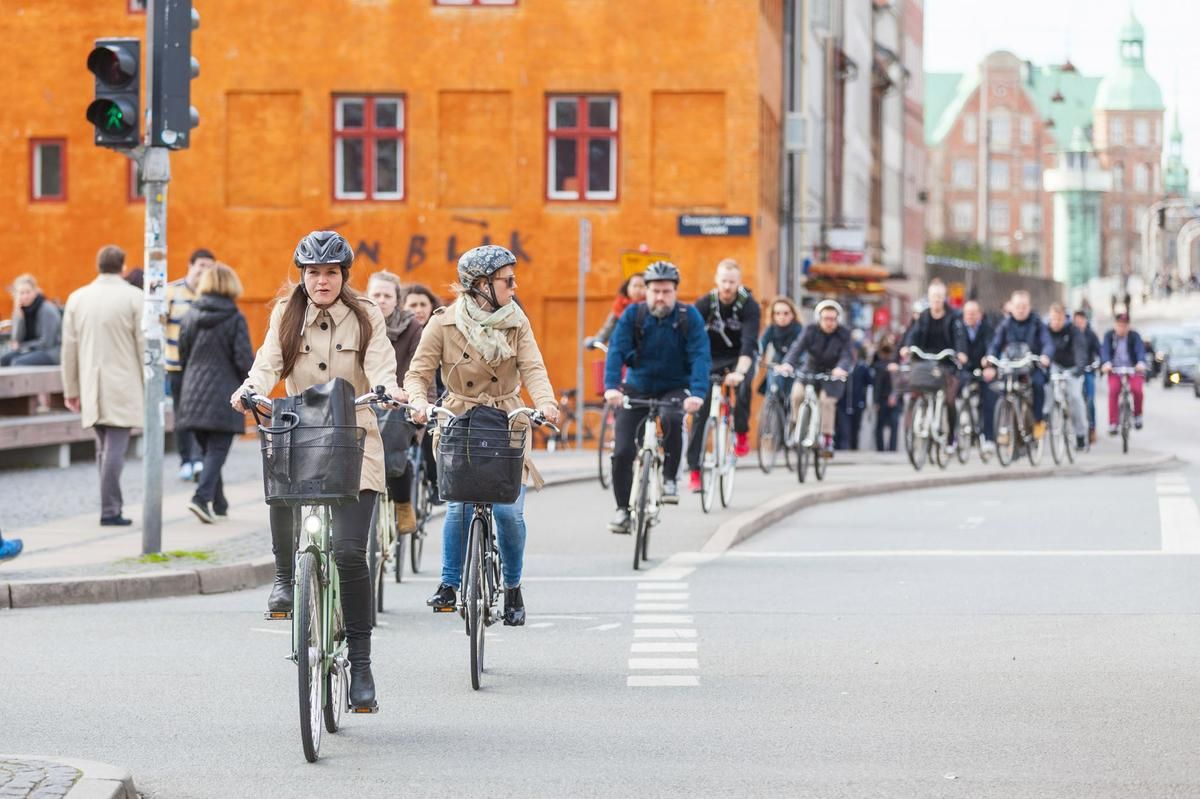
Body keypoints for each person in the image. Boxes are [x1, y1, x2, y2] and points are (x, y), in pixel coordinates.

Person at [235, 230, 405, 711]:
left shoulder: (367, 314)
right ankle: (287, 577)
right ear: (303, 275)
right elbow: (268, 361)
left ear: (343, 276)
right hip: (303, 433)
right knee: (278, 479)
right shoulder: (287, 313)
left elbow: (381, 364)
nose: (322, 280)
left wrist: (390, 388)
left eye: (331, 272)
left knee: (351, 553)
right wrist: (251, 388)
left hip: (356, 438)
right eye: (313, 272)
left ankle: (362, 663)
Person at [404, 245, 559, 627]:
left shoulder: (517, 322)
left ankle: (512, 587)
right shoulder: (442, 323)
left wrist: (546, 403)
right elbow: (417, 373)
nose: (514, 286)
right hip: (459, 419)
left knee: (508, 512)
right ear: (482, 285)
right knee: (458, 506)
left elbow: (533, 368)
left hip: (506, 420)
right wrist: (418, 402)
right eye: (507, 280)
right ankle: (449, 584)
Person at [603, 261, 708, 531]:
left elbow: (700, 356)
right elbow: (616, 350)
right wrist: (612, 386)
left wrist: (697, 393)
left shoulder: (689, 316)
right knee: (623, 450)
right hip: (637, 385)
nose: (660, 297)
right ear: (646, 292)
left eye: (666, 291)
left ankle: (671, 477)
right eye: (655, 291)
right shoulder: (632, 314)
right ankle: (622, 510)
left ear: (675, 292)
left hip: (675, 386)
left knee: (673, 418)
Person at [61, 245, 145, 526]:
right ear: (123, 267)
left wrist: (71, 390)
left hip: (90, 385)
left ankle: (111, 506)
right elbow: (144, 347)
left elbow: (68, 350)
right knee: (114, 451)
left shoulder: (77, 298)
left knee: (103, 448)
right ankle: (110, 510)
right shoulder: (135, 297)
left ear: (98, 265)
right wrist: (152, 387)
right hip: (123, 384)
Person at [177, 264, 253, 523]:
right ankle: (201, 498)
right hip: (223, 392)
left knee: (210, 449)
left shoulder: (190, 315)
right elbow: (243, 358)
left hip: (192, 391)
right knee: (218, 448)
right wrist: (250, 385)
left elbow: (182, 354)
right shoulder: (234, 317)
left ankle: (219, 504)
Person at [686, 259, 761, 488]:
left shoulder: (749, 305)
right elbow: (690, 336)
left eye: (732, 282)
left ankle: (740, 432)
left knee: (744, 385)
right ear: (717, 280)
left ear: (739, 282)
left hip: (739, 357)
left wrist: (739, 372)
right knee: (700, 408)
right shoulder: (704, 303)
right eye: (724, 281)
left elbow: (749, 343)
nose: (727, 287)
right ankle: (695, 471)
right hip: (710, 358)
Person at [367, 270, 422, 535]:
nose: (381, 300)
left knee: (394, 455)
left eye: (387, 295)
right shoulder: (358, 322)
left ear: (396, 299)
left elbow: (418, 368)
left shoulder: (412, 328)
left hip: (399, 399)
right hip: (363, 397)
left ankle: (402, 505)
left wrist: (414, 398)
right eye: (375, 294)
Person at [165, 248, 216, 482]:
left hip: (204, 368)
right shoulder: (172, 291)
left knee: (201, 415)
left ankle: (199, 459)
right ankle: (187, 460)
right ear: (191, 265)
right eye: (201, 265)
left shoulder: (212, 295)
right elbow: (159, 326)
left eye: (209, 266)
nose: (204, 271)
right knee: (182, 414)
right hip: (176, 365)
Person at [779, 300, 853, 456]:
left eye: (832, 319)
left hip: (832, 374)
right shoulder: (810, 330)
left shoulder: (844, 334)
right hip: (810, 371)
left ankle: (826, 438)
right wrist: (788, 364)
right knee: (797, 395)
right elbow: (797, 348)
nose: (829, 323)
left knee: (827, 402)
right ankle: (794, 426)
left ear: (837, 319)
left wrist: (841, 368)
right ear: (819, 318)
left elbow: (847, 355)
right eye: (826, 318)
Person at [901, 279, 964, 447]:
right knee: (918, 387)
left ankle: (951, 437)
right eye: (933, 296)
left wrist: (960, 352)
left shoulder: (954, 316)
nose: (936, 300)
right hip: (925, 360)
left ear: (944, 298)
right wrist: (907, 347)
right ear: (929, 297)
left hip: (946, 361)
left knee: (950, 399)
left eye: (939, 296)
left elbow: (959, 336)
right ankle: (917, 422)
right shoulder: (923, 316)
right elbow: (913, 334)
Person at [985, 290, 1053, 440]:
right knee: (1002, 389)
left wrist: (1045, 356)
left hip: (1032, 366)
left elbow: (1047, 342)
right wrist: (990, 358)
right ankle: (1005, 428)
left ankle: (1038, 421)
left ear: (1029, 307)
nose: (1021, 309)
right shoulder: (1005, 324)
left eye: (1024, 306)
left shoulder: (1037, 323)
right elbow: (995, 344)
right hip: (1011, 366)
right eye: (1017, 306)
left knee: (1038, 384)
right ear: (1012, 307)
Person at [401, 283, 445, 502]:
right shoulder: (401, 332)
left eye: (422, 304)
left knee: (433, 433)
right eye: (412, 305)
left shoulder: (440, 331)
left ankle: (436, 482)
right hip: (405, 394)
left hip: (438, 395)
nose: (418, 309)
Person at [1044, 303, 1090, 450]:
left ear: (1064, 318)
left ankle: (1081, 435)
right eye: (1053, 319)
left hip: (1071, 367)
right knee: (1046, 387)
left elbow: (1080, 351)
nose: (1055, 322)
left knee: (1075, 397)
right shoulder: (1045, 330)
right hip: (1054, 365)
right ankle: (1045, 417)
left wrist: (1078, 368)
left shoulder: (1073, 331)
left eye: (1059, 319)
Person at [1099, 312, 1148, 434]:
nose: (1122, 328)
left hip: (1132, 369)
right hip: (1115, 369)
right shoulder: (1109, 336)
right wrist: (1106, 363)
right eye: (1119, 325)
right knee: (1114, 391)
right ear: (1115, 325)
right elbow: (1104, 351)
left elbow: (1140, 351)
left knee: (1137, 390)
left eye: (1124, 325)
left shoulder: (1134, 336)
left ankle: (1137, 416)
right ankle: (1113, 423)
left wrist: (1141, 362)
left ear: (1128, 326)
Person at [2, 274, 62, 367]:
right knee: (4, 360)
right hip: (31, 350)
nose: (25, 296)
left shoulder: (47, 309)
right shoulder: (20, 310)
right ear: (16, 295)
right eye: (21, 293)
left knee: (18, 363)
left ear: (35, 291)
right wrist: (18, 316)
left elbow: (47, 343)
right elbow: (16, 340)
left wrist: (22, 346)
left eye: (28, 292)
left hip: (51, 352)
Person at [960, 300, 996, 446]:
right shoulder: (959, 328)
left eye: (973, 313)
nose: (970, 316)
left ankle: (988, 438)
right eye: (967, 313)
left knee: (989, 398)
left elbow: (991, 345)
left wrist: (989, 363)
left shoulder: (987, 329)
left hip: (983, 368)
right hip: (965, 368)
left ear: (979, 315)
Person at [588, 273, 647, 346]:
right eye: (634, 286)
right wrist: (598, 339)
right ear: (627, 287)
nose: (637, 289)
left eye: (641, 286)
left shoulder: (650, 306)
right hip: (620, 346)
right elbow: (609, 326)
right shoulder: (619, 305)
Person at [1073, 309, 1102, 443]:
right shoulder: (1071, 334)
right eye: (1076, 321)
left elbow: (1100, 351)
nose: (1079, 324)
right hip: (1073, 371)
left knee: (1090, 399)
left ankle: (1092, 428)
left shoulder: (1091, 335)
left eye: (1081, 321)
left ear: (1085, 321)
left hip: (1088, 370)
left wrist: (1101, 363)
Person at [871, 341, 900, 451]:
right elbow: (877, 385)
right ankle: (882, 449)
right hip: (883, 399)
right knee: (882, 426)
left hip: (890, 399)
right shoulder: (880, 366)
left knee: (891, 426)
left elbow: (898, 383)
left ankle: (890, 449)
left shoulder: (894, 366)